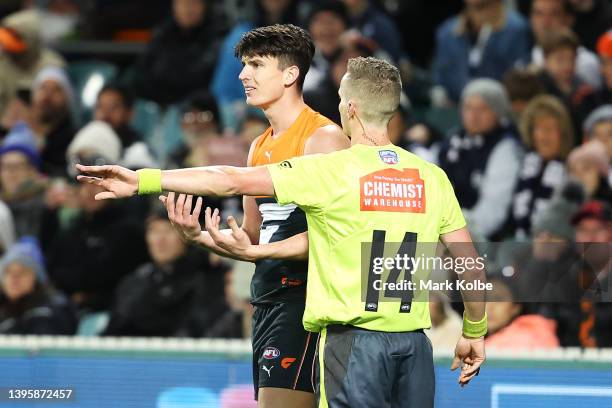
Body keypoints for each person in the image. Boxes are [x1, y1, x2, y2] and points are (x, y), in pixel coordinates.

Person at [76, 56, 487, 407]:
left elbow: (230, 180)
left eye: (341, 99)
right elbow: (468, 263)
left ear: (352, 109)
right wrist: (474, 331)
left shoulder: (332, 171)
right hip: (414, 345)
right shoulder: (431, 178)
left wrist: (145, 181)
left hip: (353, 343)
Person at [172, 24, 350, 407]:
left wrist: (145, 181)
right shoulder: (259, 145)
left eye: (255, 64)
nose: (242, 75)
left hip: (305, 304)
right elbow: (254, 239)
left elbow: (337, 241)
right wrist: (200, 237)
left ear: (290, 74)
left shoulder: (324, 140)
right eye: (243, 65)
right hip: (267, 300)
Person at [103, 208, 230, 337]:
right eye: (154, 231)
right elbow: (113, 330)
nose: (160, 240)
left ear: (186, 237)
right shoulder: (134, 281)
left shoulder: (206, 279)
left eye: (169, 230)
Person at [438, 78, 523, 240]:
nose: (473, 116)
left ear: (498, 112)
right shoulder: (454, 138)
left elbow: (492, 212)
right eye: (468, 108)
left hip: (484, 240)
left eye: (483, 109)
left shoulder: (506, 147)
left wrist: (454, 232)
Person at [433, 0, 531, 103]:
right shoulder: (447, 32)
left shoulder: (518, 30)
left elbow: (519, 81)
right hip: (457, 110)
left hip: (500, 108)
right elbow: (440, 80)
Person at [132, 0, 226, 105]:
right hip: (158, 103)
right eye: (182, 4)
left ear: (206, 6)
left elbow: (198, 76)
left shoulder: (218, 34)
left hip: (198, 105)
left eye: (194, 3)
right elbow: (142, 72)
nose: (188, 10)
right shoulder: (163, 32)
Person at [507, 95, 574, 238]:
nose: (545, 136)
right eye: (540, 128)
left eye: (551, 128)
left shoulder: (572, 170)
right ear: (531, 133)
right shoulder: (522, 166)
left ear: (562, 133)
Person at [0, 237, 76, 335]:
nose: (14, 279)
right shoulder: (5, 311)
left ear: (36, 279)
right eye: (8, 272)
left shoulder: (47, 312)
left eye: (22, 272)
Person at [0, 9, 65, 121]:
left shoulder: (52, 66)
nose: (8, 48)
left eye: (16, 38)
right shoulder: (3, 64)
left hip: (41, 127)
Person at [528, 0, 602, 89]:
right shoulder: (531, 56)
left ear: (569, 19)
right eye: (539, 14)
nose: (545, 22)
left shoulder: (587, 63)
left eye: (554, 14)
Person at [94, 84, 157, 169]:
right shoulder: (86, 141)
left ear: (129, 113)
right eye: (100, 107)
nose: (104, 115)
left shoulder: (138, 150)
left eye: (113, 108)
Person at [28, 66, 75, 177]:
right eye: (43, 88)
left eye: (56, 90)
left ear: (67, 99)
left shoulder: (73, 139)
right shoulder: (17, 132)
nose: (47, 96)